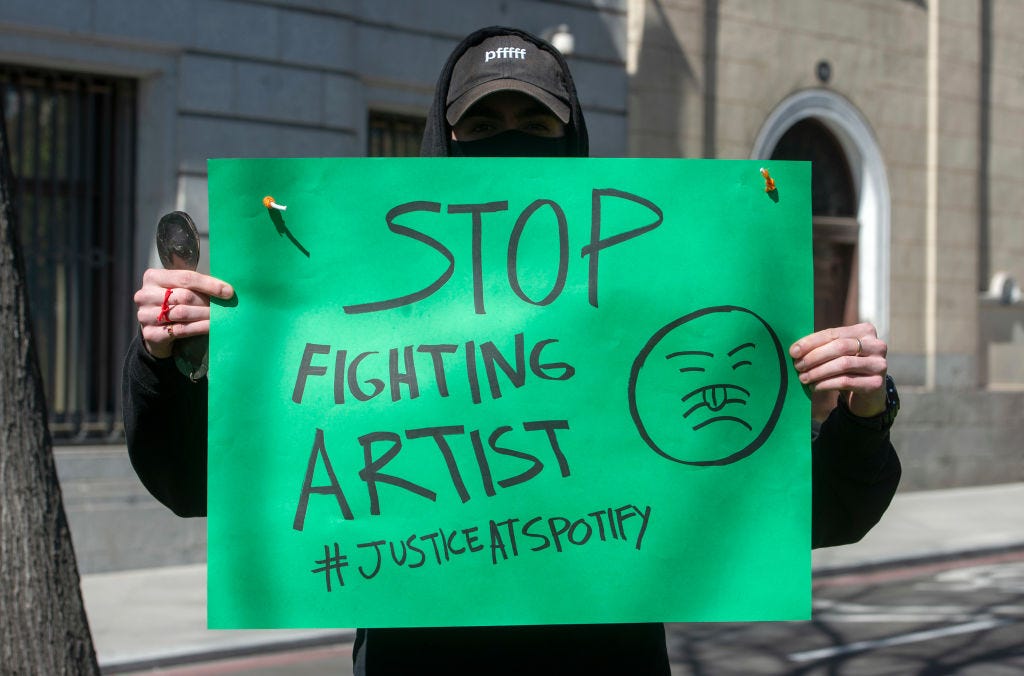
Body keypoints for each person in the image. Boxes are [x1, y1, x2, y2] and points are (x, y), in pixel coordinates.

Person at [123, 25, 900, 675]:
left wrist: (864, 411)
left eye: (535, 126)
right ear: (444, 137)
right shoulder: (346, 300)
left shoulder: (649, 306)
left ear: (572, 140)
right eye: (483, 125)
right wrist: (166, 365)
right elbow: (193, 485)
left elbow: (821, 514)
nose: (509, 144)